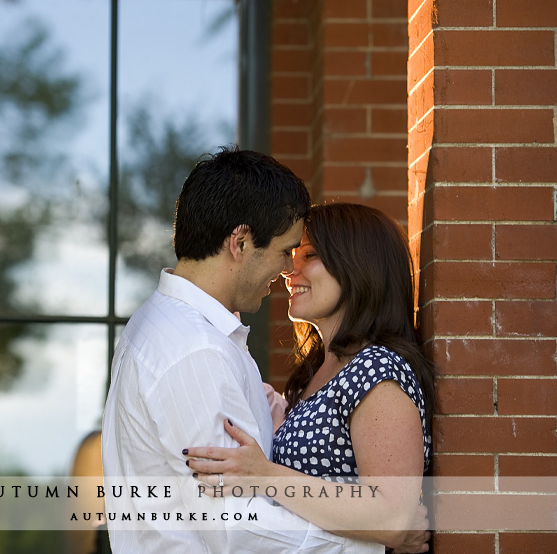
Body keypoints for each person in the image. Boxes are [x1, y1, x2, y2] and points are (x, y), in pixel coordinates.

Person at [185, 203, 434, 551]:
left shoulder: (378, 372)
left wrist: (265, 476)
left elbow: (391, 517)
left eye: (310, 255)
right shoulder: (320, 373)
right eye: (291, 254)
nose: (290, 270)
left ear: (359, 266)